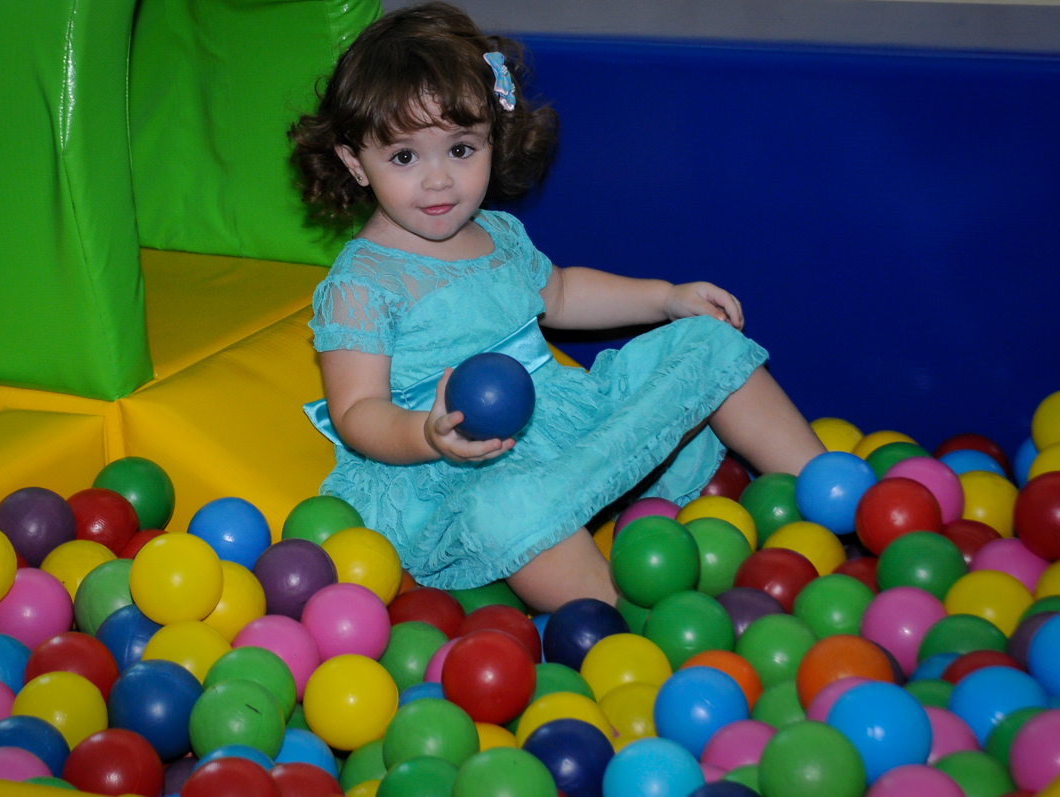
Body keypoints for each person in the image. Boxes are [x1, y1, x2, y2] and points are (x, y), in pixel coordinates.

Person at [289, 2, 826, 612]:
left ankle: (832, 500)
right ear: (355, 162)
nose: (438, 181)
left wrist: (665, 298)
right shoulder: (362, 283)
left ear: (495, 136)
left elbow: (563, 293)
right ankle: (623, 628)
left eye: (461, 150)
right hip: (456, 468)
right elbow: (358, 412)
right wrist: (428, 433)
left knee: (710, 343)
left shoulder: (497, 235)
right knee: (509, 506)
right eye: (406, 157)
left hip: (557, 417)